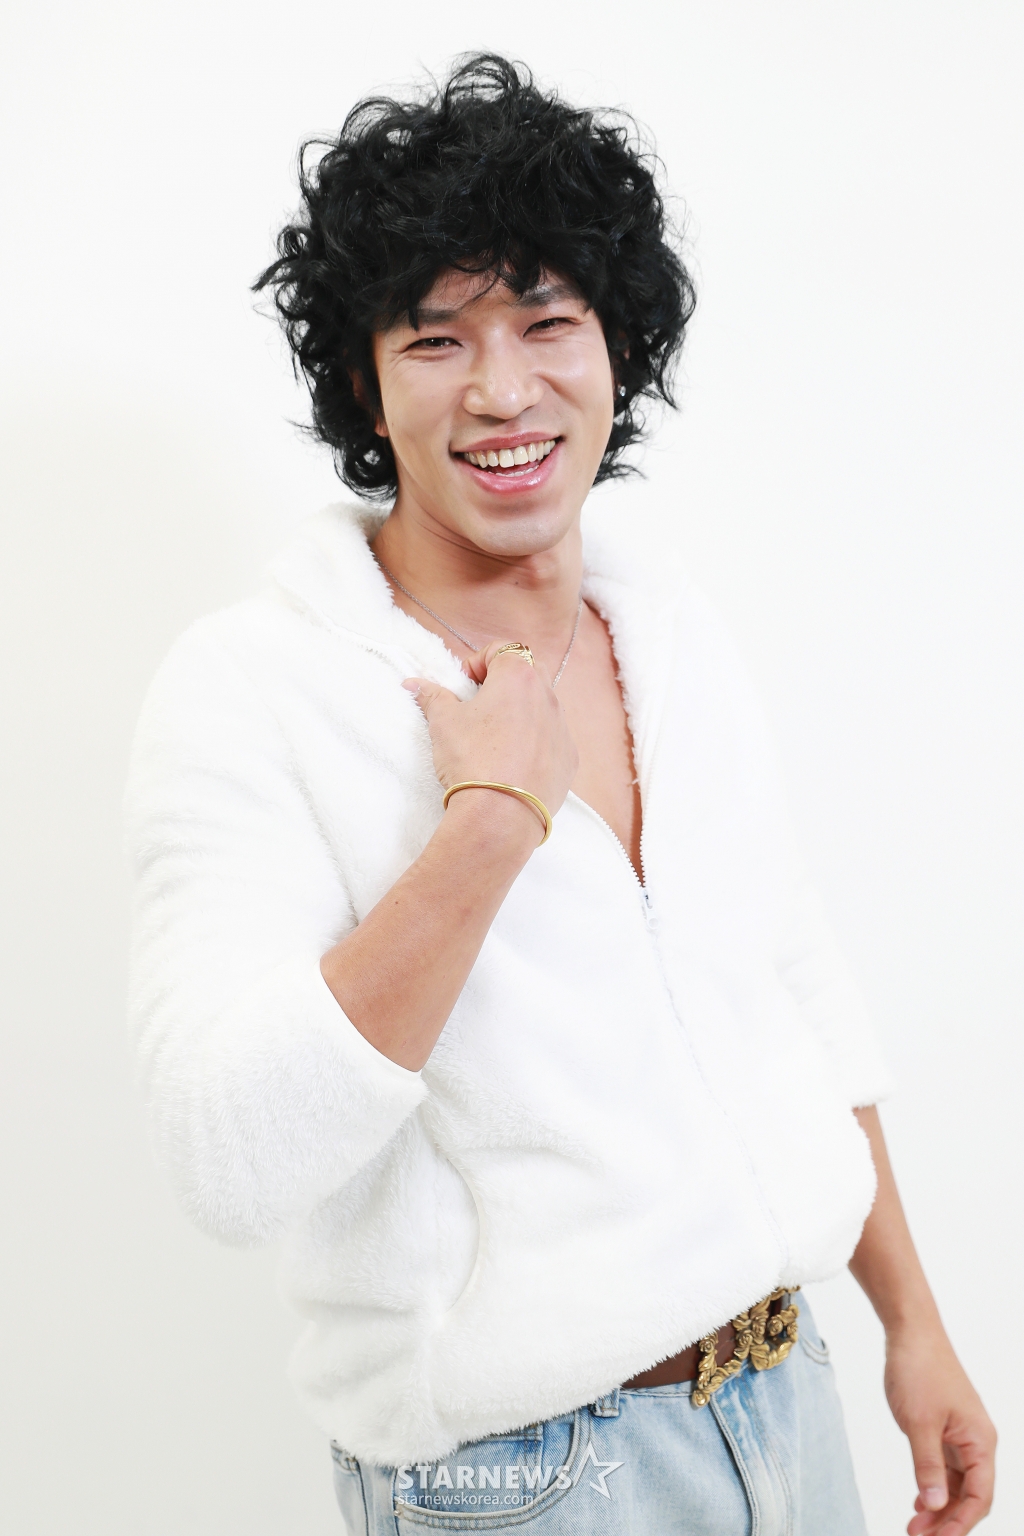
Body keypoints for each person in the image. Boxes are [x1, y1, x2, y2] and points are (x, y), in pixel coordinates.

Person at [125, 54, 995, 1535]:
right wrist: (486, 831)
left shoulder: (666, 627)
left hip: (786, 1397)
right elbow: (227, 1158)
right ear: (365, 382)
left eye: (548, 321)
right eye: (437, 338)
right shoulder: (255, 688)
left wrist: (911, 1321)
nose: (504, 389)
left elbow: (789, 984)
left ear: (618, 346)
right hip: (526, 1478)